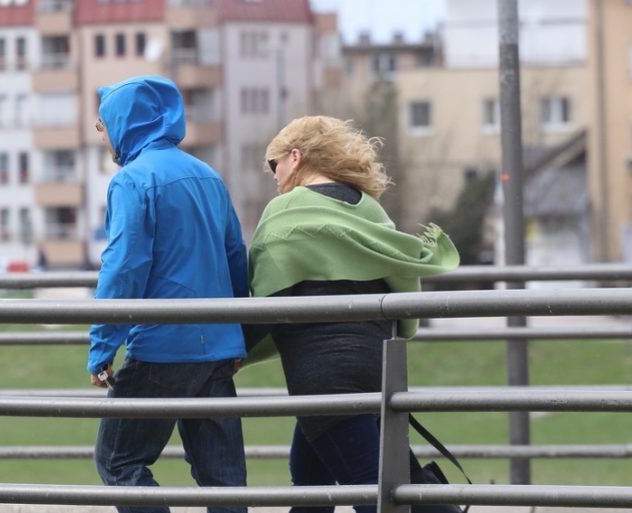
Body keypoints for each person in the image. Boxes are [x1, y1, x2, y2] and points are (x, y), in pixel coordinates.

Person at [246, 116, 461, 513]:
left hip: (323, 378)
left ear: (295, 157)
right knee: (311, 481)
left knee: (376, 494)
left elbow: (268, 303)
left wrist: (231, 354)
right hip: (376, 366)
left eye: (273, 165)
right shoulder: (371, 210)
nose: (273, 176)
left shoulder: (286, 211)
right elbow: (404, 300)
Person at [88, 75, 248, 513]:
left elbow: (124, 267)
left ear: (124, 124)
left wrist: (102, 345)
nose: (102, 138)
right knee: (225, 480)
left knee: (118, 461)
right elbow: (237, 257)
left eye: (103, 127)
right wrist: (241, 337)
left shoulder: (132, 182)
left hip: (160, 349)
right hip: (217, 350)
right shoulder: (209, 175)